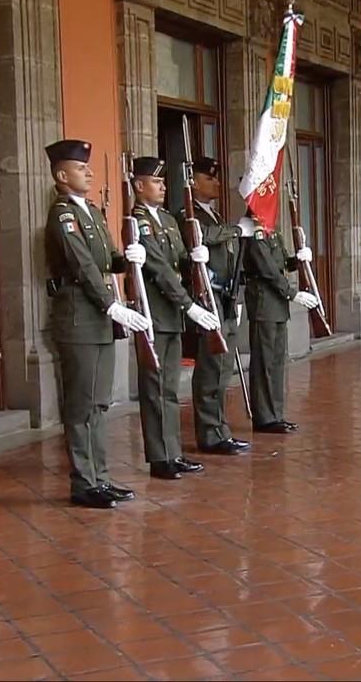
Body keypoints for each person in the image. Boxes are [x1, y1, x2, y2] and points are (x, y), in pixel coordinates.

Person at [44, 139, 151, 509]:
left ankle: (99, 477)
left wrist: (127, 260)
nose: (88, 172)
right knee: (81, 405)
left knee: (98, 404)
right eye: (79, 168)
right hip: (80, 318)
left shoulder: (89, 210)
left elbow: (104, 260)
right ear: (61, 174)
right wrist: (111, 305)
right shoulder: (63, 215)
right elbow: (82, 265)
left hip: (100, 317)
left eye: (87, 167)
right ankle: (84, 482)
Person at [127, 156, 220, 479]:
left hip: (172, 316)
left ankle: (173, 451)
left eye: (165, 182)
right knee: (154, 387)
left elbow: (178, 260)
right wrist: (189, 306)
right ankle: (159, 457)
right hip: (155, 313)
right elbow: (160, 270)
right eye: (156, 182)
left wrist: (196, 255)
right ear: (139, 186)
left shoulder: (166, 220)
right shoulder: (139, 221)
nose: (164, 187)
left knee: (169, 388)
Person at [176, 156, 253, 455]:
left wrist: (237, 296)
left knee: (222, 369)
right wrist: (237, 230)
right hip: (206, 298)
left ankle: (220, 429)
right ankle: (209, 434)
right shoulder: (188, 214)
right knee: (210, 369)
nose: (217, 183)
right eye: (210, 178)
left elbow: (228, 257)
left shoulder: (215, 215)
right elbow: (202, 238)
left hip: (225, 296)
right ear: (193, 182)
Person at [242, 211, 317, 434]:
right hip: (264, 303)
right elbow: (268, 270)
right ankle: (264, 417)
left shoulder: (271, 231)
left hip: (277, 305)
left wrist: (298, 259)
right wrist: (292, 293)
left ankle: (275, 414)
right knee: (264, 363)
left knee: (276, 362)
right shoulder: (254, 233)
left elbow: (282, 263)